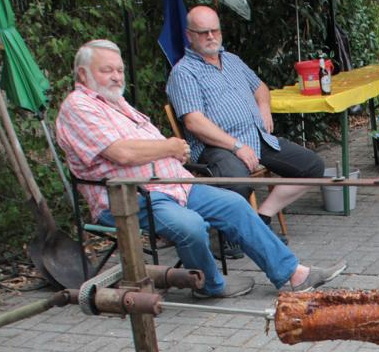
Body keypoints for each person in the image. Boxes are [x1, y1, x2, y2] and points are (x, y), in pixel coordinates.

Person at [56, 40, 344, 299]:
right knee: (191, 226)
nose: (117, 76)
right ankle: (210, 285)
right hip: (132, 197)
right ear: (83, 74)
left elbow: (143, 146)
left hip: (174, 184)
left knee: (235, 205)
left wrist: (173, 152)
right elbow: (122, 152)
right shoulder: (78, 107)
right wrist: (169, 148)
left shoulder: (117, 103)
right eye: (107, 70)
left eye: (119, 70)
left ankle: (294, 275)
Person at [167, 6, 324, 240]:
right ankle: (233, 238)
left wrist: (264, 106)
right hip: (216, 147)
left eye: (215, 31)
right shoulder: (184, 73)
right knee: (237, 182)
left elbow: (260, 87)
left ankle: (260, 219)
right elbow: (194, 123)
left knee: (312, 167)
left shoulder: (232, 60)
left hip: (256, 137)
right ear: (189, 35)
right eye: (203, 32)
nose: (210, 36)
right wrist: (237, 146)